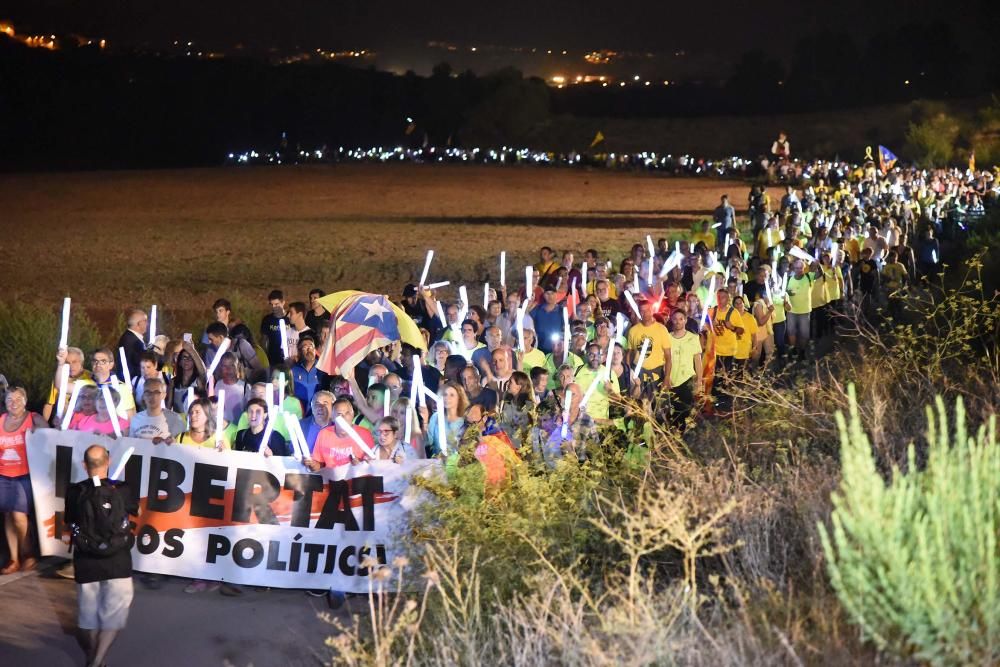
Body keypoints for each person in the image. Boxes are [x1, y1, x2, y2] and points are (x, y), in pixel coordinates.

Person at [66, 444, 138, 667]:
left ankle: (93, 655)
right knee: (114, 614)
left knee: (88, 619)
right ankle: (97, 660)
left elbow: (69, 522)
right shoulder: (123, 489)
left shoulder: (75, 491)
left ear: (84, 465)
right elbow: (137, 513)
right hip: (118, 560)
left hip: (86, 561)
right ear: (108, 462)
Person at [0, 387, 46, 574]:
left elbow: (48, 437)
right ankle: (13, 558)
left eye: (18, 399)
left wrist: (39, 432)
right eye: (10, 399)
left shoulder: (34, 418)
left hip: (25, 474)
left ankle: (28, 552)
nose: (14, 403)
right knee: (8, 515)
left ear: (25, 401)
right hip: (3, 474)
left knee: (19, 515)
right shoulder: (2, 420)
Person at [305, 398, 374, 469]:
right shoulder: (324, 434)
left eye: (347, 413)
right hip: (332, 478)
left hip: (358, 478)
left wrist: (360, 463)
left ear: (352, 415)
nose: (343, 417)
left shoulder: (365, 434)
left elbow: (372, 463)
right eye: (339, 414)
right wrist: (312, 464)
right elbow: (319, 464)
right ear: (332, 417)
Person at [626, 300, 672, 397]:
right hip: (638, 375)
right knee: (638, 407)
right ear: (639, 312)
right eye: (642, 311)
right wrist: (629, 374)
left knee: (657, 408)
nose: (645, 313)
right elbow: (629, 354)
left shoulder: (662, 329)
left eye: (648, 310)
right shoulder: (633, 331)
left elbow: (668, 356)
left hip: (657, 375)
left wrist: (667, 377)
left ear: (652, 310)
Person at [667, 310, 703, 431]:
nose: (678, 321)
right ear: (672, 320)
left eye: (681, 319)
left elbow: (698, 361)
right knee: (674, 411)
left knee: (686, 410)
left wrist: (699, 381)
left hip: (687, 379)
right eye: (675, 319)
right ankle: (675, 436)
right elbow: (665, 360)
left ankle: (684, 436)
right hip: (672, 380)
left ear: (685, 320)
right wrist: (666, 378)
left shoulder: (693, 338)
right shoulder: (667, 338)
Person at [42, 346, 92, 424]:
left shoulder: (90, 378)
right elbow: (49, 404)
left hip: (83, 424)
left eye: (74, 362)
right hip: (62, 423)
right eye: (67, 363)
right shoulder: (59, 378)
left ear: (82, 362)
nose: (71, 366)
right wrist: (43, 424)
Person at [116, 308, 148, 382]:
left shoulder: (131, 338)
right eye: (145, 321)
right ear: (139, 323)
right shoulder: (130, 340)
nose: (147, 324)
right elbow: (135, 361)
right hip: (132, 382)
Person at [259, 290, 289, 367]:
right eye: (271, 304)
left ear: (283, 302)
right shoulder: (267, 319)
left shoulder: (290, 319)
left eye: (276, 304)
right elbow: (264, 339)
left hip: (288, 359)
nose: (274, 307)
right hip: (272, 359)